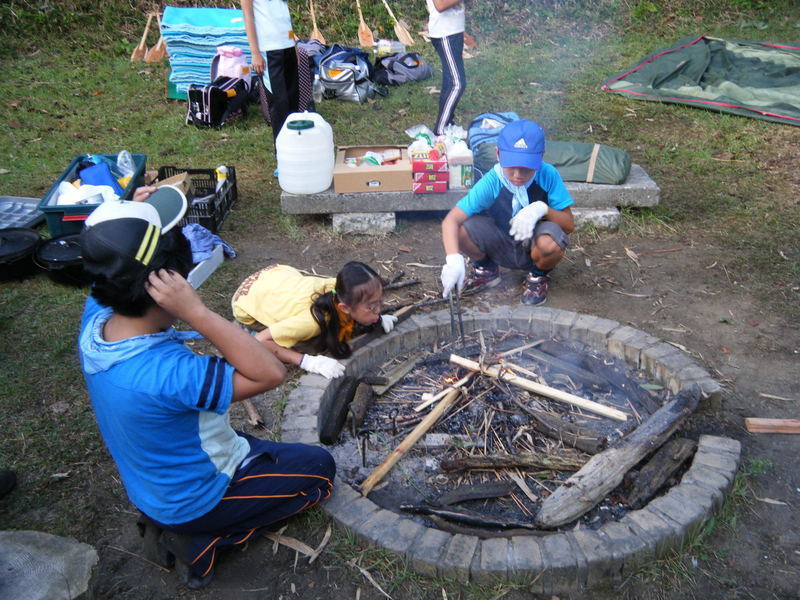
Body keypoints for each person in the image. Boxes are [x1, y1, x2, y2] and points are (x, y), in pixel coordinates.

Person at [78, 186, 335, 589]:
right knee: (320, 471)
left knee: (277, 453)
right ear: (168, 287)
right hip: (197, 498)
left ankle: (172, 520)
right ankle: (201, 541)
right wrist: (197, 313)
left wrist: (133, 216)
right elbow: (269, 372)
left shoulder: (97, 320)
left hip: (155, 485)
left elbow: (113, 265)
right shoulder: (169, 373)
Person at [440, 119, 575, 305]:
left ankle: (537, 276)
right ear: (498, 154)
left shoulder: (548, 174)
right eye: (511, 166)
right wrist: (453, 260)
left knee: (552, 242)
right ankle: (486, 269)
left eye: (526, 167)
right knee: (461, 228)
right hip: (499, 241)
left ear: (541, 156)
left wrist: (542, 208)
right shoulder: (493, 181)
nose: (518, 174)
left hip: (534, 243)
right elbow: (450, 221)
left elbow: (568, 224)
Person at [231, 262, 398, 379]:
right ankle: (251, 327)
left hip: (275, 274)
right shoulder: (310, 322)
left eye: (379, 302)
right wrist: (307, 362)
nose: (378, 311)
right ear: (345, 308)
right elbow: (260, 341)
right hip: (245, 300)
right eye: (371, 307)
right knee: (312, 345)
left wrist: (376, 317)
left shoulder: (342, 288)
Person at [242, 0, 300, 172]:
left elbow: (283, 15)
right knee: (279, 104)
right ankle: (281, 158)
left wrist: (293, 44)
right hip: (268, 50)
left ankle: (297, 151)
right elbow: (248, 16)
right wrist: (255, 52)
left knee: (293, 101)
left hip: (287, 47)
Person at [426, 0, 466, 135]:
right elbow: (440, 5)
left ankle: (448, 125)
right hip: (445, 33)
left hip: (454, 31)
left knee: (450, 83)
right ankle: (440, 131)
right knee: (457, 84)